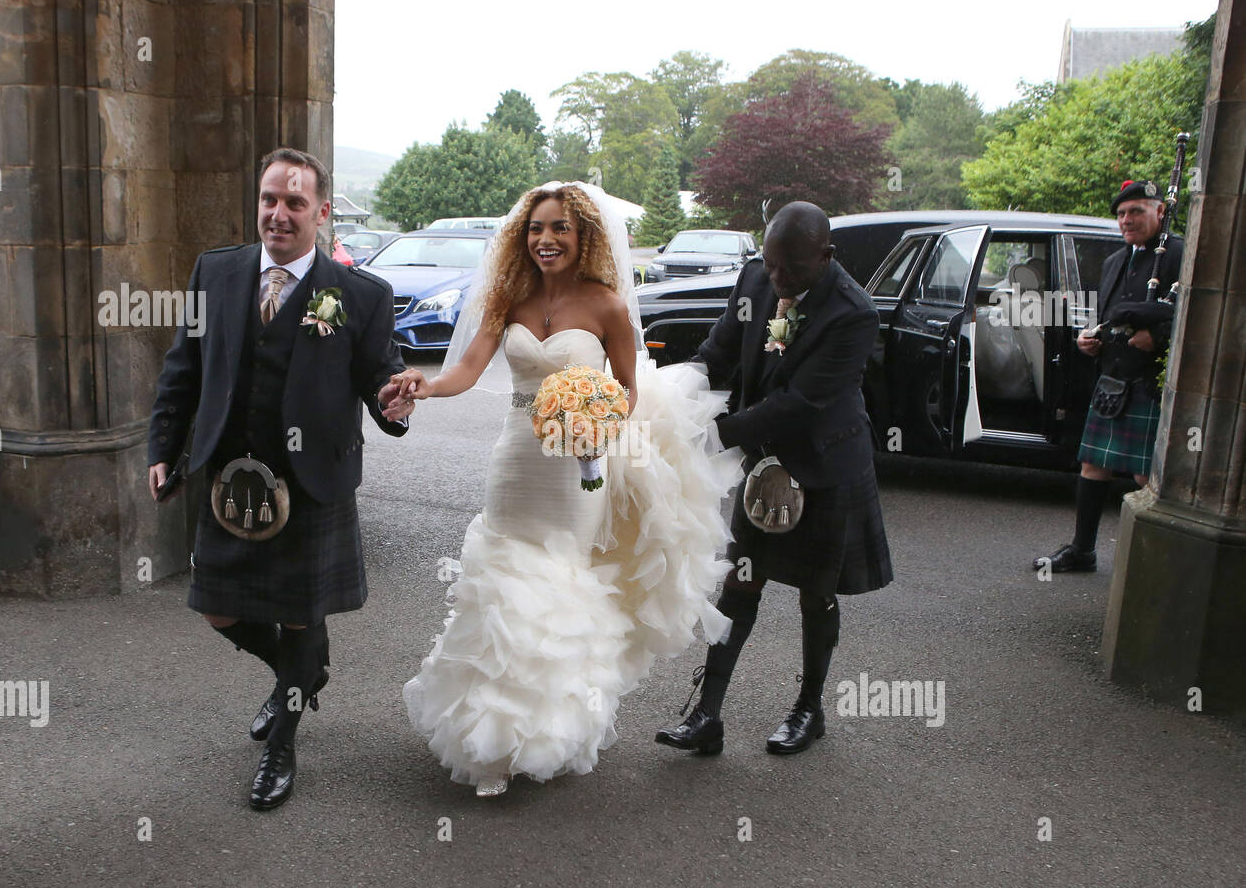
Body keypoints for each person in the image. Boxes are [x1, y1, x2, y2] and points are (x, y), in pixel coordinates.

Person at [394, 182, 740, 797]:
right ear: (521, 239)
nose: (546, 240)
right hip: (517, 462)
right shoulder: (508, 299)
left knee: (558, 590)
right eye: (535, 229)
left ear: (583, 237)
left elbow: (628, 390)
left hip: (577, 468)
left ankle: (543, 731)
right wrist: (423, 388)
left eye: (559, 229)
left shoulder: (607, 306)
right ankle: (489, 741)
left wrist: (597, 421)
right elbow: (466, 371)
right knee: (501, 585)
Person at [147, 148, 414, 810]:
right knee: (217, 605)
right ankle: (300, 671)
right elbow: (183, 367)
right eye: (269, 199)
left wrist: (393, 399)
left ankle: (282, 744)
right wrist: (164, 446)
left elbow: (382, 374)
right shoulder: (216, 272)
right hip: (229, 482)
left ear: (322, 213)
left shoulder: (359, 295)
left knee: (300, 616)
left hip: (311, 485)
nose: (278, 213)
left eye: (295, 202)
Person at [655, 201, 893, 757]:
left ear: (825, 256)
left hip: (826, 464)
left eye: (794, 270)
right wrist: (670, 404)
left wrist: (717, 434)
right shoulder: (755, 278)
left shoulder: (854, 313)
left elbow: (802, 402)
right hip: (766, 463)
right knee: (741, 581)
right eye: (772, 265)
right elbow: (716, 354)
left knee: (817, 594)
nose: (780, 280)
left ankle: (808, 710)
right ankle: (706, 715)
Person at [1034, 179, 1183, 573]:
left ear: (1160, 211)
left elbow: (1196, 315)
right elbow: (1108, 317)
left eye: (1137, 211)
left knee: (1145, 475)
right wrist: (1092, 339)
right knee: (1093, 465)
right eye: (1120, 214)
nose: (1127, 220)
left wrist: (1161, 336)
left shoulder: (1181, 254)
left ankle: (1158, 560)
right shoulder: (1116, 261)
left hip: (1152, 380)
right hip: (1114, 376)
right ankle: (1083, 551)